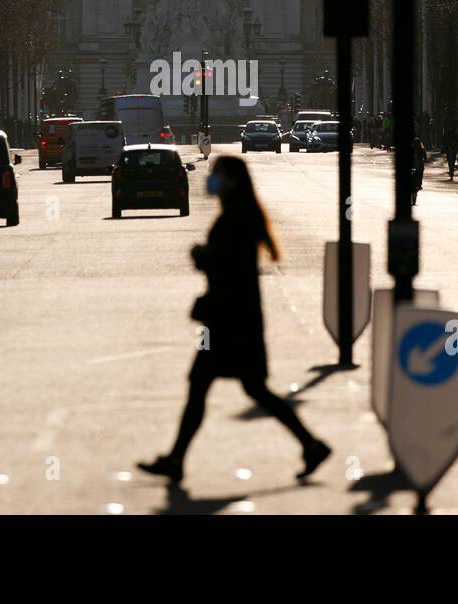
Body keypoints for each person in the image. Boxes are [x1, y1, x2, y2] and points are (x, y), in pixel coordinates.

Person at [138, 156, 331, 484]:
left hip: (229, 321)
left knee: (210, 385)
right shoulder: (237, 215)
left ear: (232, 181)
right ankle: (310, 445)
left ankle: (177, 459)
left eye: (217, 174)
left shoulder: (236, 219)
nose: (210, 179)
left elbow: (232, 265)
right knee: (246, 387)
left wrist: (203, 256)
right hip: (236, 318)